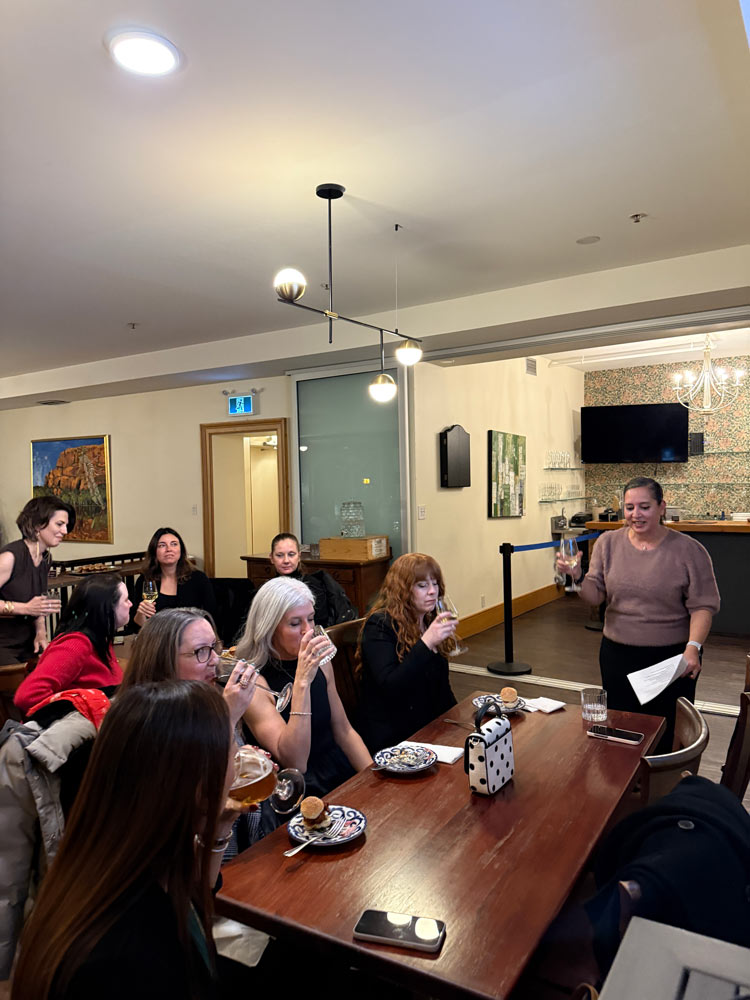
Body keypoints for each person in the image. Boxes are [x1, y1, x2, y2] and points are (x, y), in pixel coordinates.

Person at [10, 680, 243, 999]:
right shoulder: (129, 957)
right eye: (232, 747)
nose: (239, 760)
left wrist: (216, 826)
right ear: (194, 782)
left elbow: (192, 896)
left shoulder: (116, 863)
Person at [559, 476, 720, 750]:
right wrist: (576, 578)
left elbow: (703, 605)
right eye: (630, 507)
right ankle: (627, 786)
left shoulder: (689, 550)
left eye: (644, 507)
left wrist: (693, 648)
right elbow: (595, 596)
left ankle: (664, 785)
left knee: (667, 730)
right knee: (622, 728)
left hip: (671, 658)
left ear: (661, 508)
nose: (636, 515)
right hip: (617, 654)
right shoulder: (607, 543)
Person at [235, 576, 372, 796]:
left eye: (311, 619)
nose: (307, 631)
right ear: (269, 628)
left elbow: (344, 730)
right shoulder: (254, 682)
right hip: (295, 790)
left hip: (336, 770)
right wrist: (301, 682)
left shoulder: (320, 663)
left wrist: (372, 777)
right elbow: (295, 762)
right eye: (295, 623)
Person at [356, 552, 458, 753]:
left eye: (435, 584)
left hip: (429, 725)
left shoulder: (428, 620)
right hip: (395, 733)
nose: (432, 592)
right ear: (402, 589)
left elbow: (441, 688)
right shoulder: (379, 625)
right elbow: (391, 686)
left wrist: (458, 720)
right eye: (422, 585)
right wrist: (427, 642)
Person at [13, 574, 130, 716]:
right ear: (107, 609)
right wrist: (80, 711)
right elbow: (26, 697)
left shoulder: (100, 638)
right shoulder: (76, 644)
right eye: (126, 600)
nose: (130, 604)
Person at [0, 496, 76, 666]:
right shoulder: (10, 557)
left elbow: (37, 601)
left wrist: (41, 631)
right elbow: (29, 606)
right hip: (4, 646)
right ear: (37, 524)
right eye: (59, 524)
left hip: (27, 644)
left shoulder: (45, 558)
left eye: (66, 525)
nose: (65, 531)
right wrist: (24, 608)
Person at [130, 527, 217, 630]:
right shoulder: (145, 580)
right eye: (162, 545)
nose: (169, 549)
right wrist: (141, 614)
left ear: (181, 550)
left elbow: (211, 617)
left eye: (174, 544)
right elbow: (137, 625)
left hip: (191, 637)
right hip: (156, 638)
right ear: (154, 551)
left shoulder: (198, 578)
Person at [269, 532, 356, 626]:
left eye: (291, 554)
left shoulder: (313, 586)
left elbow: (320, 624)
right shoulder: (267, 590)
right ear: (271, 558)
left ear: (299, 556)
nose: (286, 560)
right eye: (279, 555)